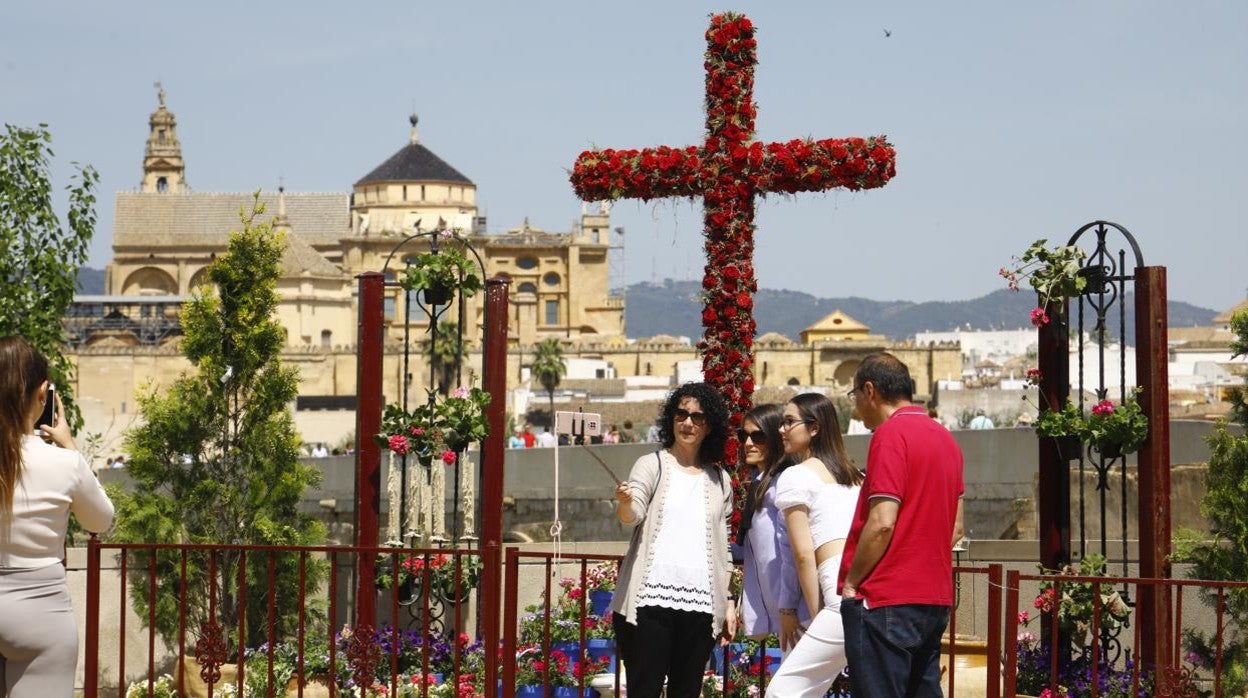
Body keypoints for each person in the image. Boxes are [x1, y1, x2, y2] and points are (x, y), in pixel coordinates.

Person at [839, 353, 964, 697]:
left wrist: (852, 582)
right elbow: (957, 527)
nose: (857, 407)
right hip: (934, 598)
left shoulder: (890, 435)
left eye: (855, 397)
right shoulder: (946, 439)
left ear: (869, 391)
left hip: (887, 598)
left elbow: (881, 522)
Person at [0, 337, 115, 694]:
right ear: (42, 395)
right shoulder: (65, 464)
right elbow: (100, 521)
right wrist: (72, 448)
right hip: (40, 612)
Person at [610, 382, 736, 698]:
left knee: (687, 690)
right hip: (648, 601)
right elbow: (632, 514)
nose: (688, 422)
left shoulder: (720, 479)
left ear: (710, 426)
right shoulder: (651, 464)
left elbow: (725, 548)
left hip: (702, 603)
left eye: (697, 416)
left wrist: (729, 601)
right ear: (671, 419)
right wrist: (625, 502)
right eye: (681, 414)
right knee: (645, 689)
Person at [766, 394, 863, 697]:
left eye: (789, 421)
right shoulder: (857, 478)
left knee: (782, 692)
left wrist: (815, 614)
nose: (782, 429)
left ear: (815, 428)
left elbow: (803, 555)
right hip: (874, 593)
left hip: (838, 596)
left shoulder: (795, 476)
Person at [735, 404, 810, 646]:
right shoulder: (760, 484)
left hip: (795, 614)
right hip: (780, 612)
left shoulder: (782, 485)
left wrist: (788, 610)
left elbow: (792, 552)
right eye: (743, 435)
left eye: (757, 436)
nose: (748, 443)